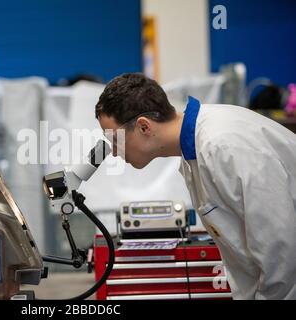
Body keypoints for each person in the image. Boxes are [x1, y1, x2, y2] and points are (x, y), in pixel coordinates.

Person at [95, 72, 296, 300]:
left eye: (115, 139)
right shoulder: (195, 152)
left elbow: (282, 256)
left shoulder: (223, 146)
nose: (113, 151)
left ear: (144, 127)